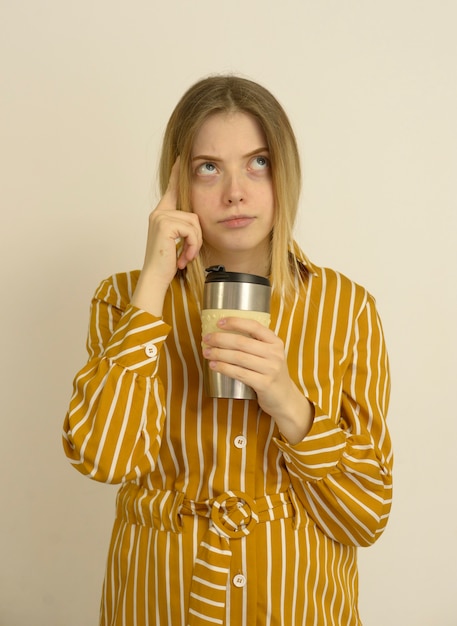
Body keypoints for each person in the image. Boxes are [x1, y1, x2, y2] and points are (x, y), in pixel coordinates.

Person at [62, 75, 393, 626]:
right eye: (208, 167)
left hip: (297, 604)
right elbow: (103, 456)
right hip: (159, 601)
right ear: (177, 184)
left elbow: (368, 516)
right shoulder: (123, 298)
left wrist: (290, 403)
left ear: (284, 172)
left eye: (257, 163)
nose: (235, 192)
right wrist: (153, 284)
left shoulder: (346, 307)